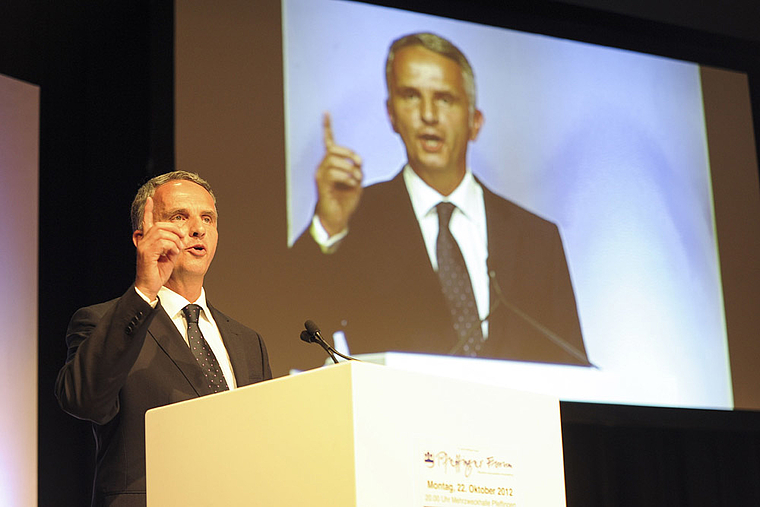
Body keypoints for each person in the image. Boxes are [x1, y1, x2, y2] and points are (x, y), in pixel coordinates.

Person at [294, 32, 589, 365]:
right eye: (411, 96)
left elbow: (572, 368)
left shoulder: (537, 239)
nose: (429, 114)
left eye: (445, 99)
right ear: (392, 114)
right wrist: (329, 226)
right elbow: (290, 325)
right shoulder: (355, 221)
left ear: (475, 121)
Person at [56, 171, 272, 507]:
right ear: (141, 238)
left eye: (207, 218)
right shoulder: (102, 322)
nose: (197, 228)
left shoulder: (247, 342)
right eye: (179, 217)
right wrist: (144, 291)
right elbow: (84, 400)